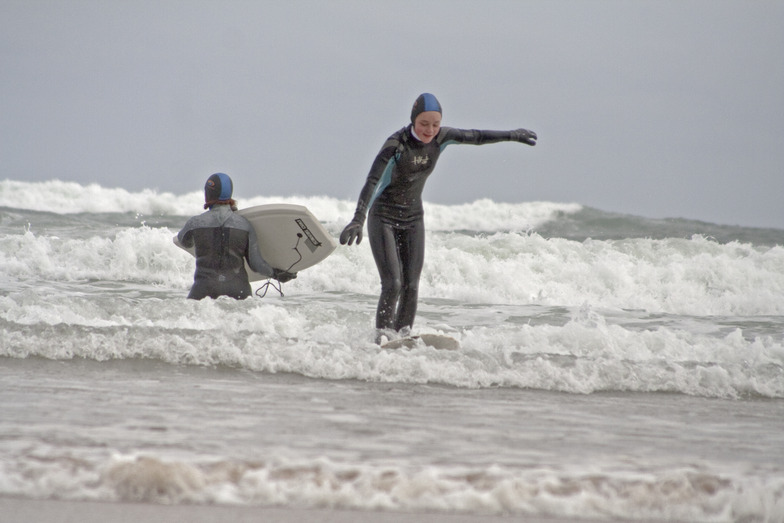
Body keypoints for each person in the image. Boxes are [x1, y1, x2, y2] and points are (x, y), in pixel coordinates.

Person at [340, 93, 537, 342]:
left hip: (413, 218)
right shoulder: (396, 145)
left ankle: (402, 338)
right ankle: (381, 338)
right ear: (413, 120)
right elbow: (372, 181)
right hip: (384, 217)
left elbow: (476, 136)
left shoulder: (442, 137)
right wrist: (358, 218)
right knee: (393, 284)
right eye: (424, 124)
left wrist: (511, 135)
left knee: (411, 285)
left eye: (435, 124)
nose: (430, 130)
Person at [178, 173, 295, 300]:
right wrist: (276, 274)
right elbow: (256, 265)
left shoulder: (195, 223)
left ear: (208, 194)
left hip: (204, 288)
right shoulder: (244, 225)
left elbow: (184, 242)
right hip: (238, 289)